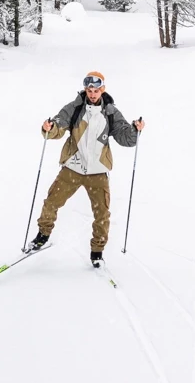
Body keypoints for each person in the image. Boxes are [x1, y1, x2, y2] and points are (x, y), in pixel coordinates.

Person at [28, 72, 145, 266]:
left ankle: (97, 252)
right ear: (85, 90)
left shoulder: (110, 112)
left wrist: (135, 129)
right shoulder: (74, 108)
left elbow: (126, 138)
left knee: (102, 214)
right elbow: (58, 127)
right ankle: (42, 235)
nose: (92, 94)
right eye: (89, 90)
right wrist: (49, 128)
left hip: (98, 172)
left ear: (103, 90)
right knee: (51, 202)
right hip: (73, 168)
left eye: (96, 90)